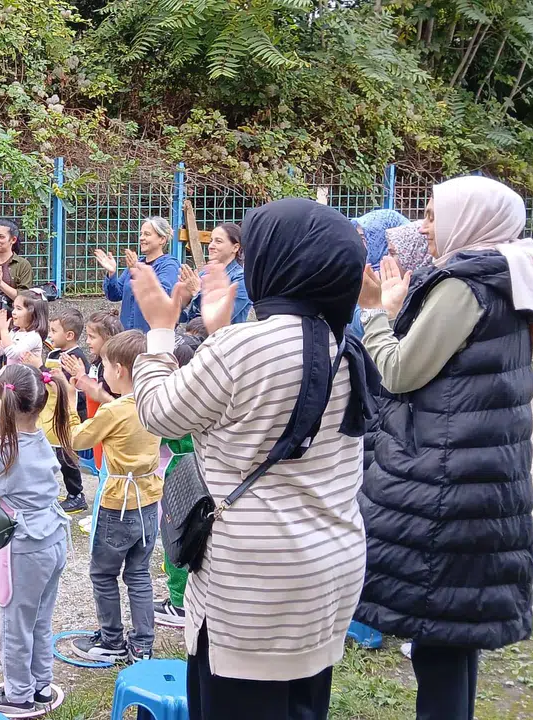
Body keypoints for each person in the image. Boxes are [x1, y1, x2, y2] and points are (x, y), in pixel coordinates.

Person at [129, 197, 375, 720]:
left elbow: (158, 413)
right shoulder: (345, 345)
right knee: (301, 705)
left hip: (252, 585)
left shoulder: (244, 347)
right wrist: (220, 334)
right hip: (328, 570)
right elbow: (266, 403)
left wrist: (160, 331)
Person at [354, 176, 533, 720]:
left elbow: (400, 371)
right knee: (454, 637)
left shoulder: (464, 285)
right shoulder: (509, 276)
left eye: (432, 215)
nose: (423, 226)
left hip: (450, 481)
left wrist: (375, 311)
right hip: (483, 474)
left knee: (440, 643)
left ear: (470, 219)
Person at [0, 365, 73, 714]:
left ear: (2, 403)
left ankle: (19, 695)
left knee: (15, 625)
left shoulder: (3, 454)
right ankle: (41, 686)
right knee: (40, 619)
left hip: (26, 548)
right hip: (54, 537)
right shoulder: (40, 439)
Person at [57, 330, 163, 663]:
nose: (102, 373)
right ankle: (142, 645)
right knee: (139, 574)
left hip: (118, 503)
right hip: (148, 501)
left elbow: (77, 439)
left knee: (103, 574)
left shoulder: (113, 411)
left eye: (103, 366)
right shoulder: (155, 403)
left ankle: (112, 640)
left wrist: (70, 402)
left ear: (119, 369)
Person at [152, 332, 203, 630]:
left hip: (177, 476)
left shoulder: (177, 404)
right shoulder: (206, 395)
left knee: (176, 538)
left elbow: (157, 429)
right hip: (201, 473)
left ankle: (178, 603)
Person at [40, 306, 89, 514]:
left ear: (69, 335)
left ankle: (76, 495)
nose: (50, 335)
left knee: (67, 457)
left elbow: (74, 388)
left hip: (70, 413)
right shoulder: (55, 353)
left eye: (54, 331)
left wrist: (41, 368)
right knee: (54, 454)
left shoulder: (75, 358)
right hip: (52, 411)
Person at [95, 216, 181, 332]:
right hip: (127, 336)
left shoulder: (169, 265)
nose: (141, 238)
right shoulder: (137, 262)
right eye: (141, 234)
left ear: (162, 239)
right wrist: (112, 273)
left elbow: (160, 297)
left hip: (151, 336)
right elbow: (115, 294)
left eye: (147, 234)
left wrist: (137, 272)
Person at [60, 309, 121, 473]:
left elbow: (106, 395)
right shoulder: (98, 363)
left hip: (109, 433)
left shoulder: (112, 370)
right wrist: (80, 379)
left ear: (108, 338)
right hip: (98, 430)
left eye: (92, 337)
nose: (87, 341)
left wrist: (83, 378)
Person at [180, 224, 251, 326]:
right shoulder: (203, 274)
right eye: (211, 241)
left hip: (224, 335)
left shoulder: (242, 279)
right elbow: (186, 317)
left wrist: (197, 291)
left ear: (235, 247)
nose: (211, 246)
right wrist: (182, 297)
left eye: (218, 241)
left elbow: (222, 317)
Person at [0, 290, 48, 367]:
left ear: (33, 314)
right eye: (14, 308)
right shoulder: (15, 332)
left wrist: (4, 330)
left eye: (19, 309)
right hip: (12, 373)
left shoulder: (34, 336)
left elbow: (13, 353)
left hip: (24, 374)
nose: (13, 312)